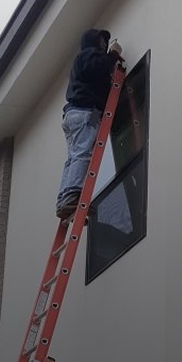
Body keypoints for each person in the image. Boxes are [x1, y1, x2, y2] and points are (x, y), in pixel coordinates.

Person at [56, 28, 123, 221]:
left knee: (74, 156)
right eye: (101, 40)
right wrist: (113, 55)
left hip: (80, 113)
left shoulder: (85, 61)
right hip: (84, 111)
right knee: (82, 152)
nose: (103, 44)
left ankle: (64, 199)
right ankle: (72, 194)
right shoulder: (87, 55)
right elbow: (97, 67)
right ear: (94, 41)